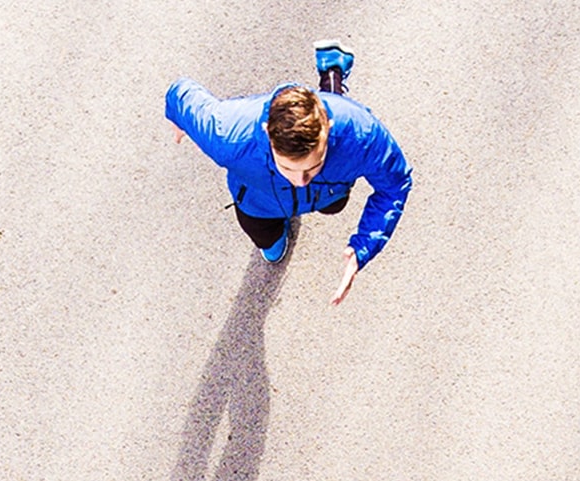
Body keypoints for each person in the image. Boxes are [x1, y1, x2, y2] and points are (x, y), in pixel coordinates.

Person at [165, 41, 413, 305]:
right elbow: (180, 93)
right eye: (287, 167)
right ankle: (332, 72)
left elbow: (394, 185)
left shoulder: (361, 136)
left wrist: (364, 247)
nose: (300, 181)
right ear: (266, 132)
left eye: (313, 166)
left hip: (328, 193)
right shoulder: (227, 136)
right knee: (269, 246)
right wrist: (177, 117)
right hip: (258, 203)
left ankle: (332, 79)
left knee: (334, 206)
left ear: (328, 129)